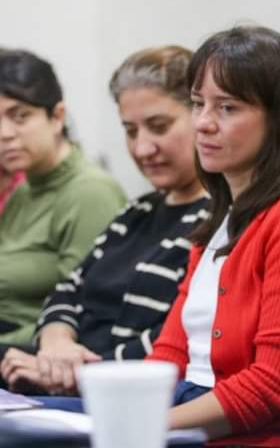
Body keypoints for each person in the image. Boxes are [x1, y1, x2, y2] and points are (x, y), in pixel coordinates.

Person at [142, 26, 280, 447]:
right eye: (197, 103)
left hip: (248, 433)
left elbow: (272, 389)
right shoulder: (223, 213)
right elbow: (169, 354)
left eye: (227, 108)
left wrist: (143, 425)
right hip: (188, 411)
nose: (202, 123)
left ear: (279, 117)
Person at [0, 45, 208, 394]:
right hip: (70, 378)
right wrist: (56, 343)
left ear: (203, 118)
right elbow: (67, 291)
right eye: (130, 131)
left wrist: (73, 371)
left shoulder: (217, 220)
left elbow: (174, 337)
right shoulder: (137, 212)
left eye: (159, 127)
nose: (142, 149)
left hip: (113, 391)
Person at [0, 50, 126, 345]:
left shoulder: (90, 192)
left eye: (20, 116)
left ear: (57, 117)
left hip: (34, 353)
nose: (5, 133)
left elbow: (86, 312)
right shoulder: (24, 188)